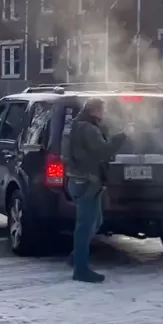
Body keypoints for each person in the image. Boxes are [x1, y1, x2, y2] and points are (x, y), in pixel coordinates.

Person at [63, 97, 128, 283]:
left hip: (80, 181)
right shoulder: (88, 129)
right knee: (85, 226)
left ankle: (77, 257)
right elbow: (103, 151)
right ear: (94, 111)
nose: (104, 113)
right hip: (87, 183)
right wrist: (121, 136)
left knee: (95, 221)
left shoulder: (78, 125)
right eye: (102, 110)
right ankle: (80, 269)